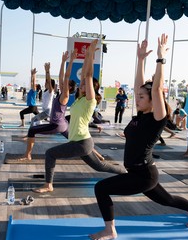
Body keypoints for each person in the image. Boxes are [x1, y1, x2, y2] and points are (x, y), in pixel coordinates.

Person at [89, 34, 188, 240]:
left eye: (142, 97)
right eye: (137, 96)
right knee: (167, 200)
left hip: (143, 174)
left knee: (101, 188)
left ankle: (110, 230)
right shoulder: (140, 116)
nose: (138, 98)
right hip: (141, 173)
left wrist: (160, 58)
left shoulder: (157, 118)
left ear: (154, 101)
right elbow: (141, 86)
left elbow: (155, 87)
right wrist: (140, 60)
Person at [33, 40, 126, 194]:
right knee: (100, 167)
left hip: (81, 142)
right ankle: (125, 173)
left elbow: (88, 75)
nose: (81, 84)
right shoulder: (80, 99)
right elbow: (83, 75)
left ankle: (48, 185)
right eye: (81, 84)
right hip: (82, 141)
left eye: (85, 84)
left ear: (92, 89)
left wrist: (90, 55)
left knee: (50, 153)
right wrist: (78, 58)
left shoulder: (91, 100)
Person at [17, 50, 77, 161]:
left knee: (32, 130)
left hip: (56, 125)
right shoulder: (61, 93)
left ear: (69, 88)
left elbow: (66, 76)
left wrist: (71, 60)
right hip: (62, 124)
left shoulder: (65, 95)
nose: (62, 83)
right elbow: (61, 76)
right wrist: (62, 62)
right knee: (79, 141)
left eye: (65, 84)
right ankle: (96, 155)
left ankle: (28, 155)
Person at [30, 62, 55, 126]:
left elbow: (48, 81)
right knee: (36, 122)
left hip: (47, 112)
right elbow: (46, 80)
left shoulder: (50, 91)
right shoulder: (46, 91)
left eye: (46, 83)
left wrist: (47, 71)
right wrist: (33, 75)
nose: (45, 84)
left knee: (33, 120)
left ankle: (30, 134)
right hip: (45, 112)